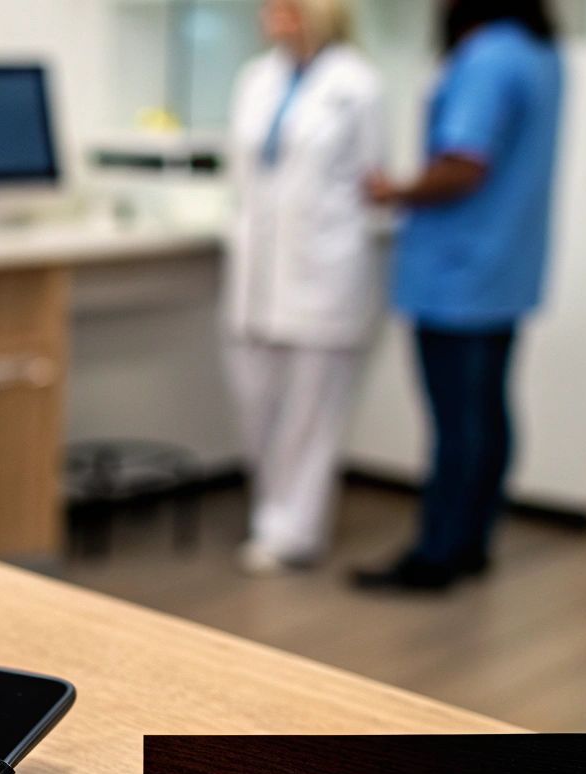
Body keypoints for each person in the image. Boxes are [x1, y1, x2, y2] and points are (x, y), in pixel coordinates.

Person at [353, 0, 562, 593]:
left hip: (459, 272)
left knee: (457, 423)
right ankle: (471, 543)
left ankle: (435, 556)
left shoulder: (486, 58)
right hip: (504, 268)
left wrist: (394, 191)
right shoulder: (539, 54)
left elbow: (463, 164)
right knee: (487, 413)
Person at [220, 0, 386, 576]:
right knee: (255, 400)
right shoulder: (255, 77)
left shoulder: (357, 84)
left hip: (325, 267)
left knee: (311, 414)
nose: (271, 13)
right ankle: (270, 511)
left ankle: (295, 530)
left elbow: (372, 181)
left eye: (286, 5)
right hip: (257, 270)